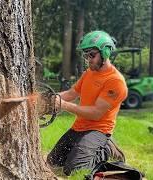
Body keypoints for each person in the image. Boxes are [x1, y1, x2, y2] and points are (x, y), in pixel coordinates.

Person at [47, 31, 128, 175]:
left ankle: (106, 148)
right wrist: (51, 99)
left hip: (98, 130)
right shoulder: (88, 73)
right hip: (79, 127)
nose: (88, 60)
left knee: (74, 170)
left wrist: (64, 106)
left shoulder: (115, 81)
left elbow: (96, 114)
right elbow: (71, 94)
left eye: (92, 55)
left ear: (105, 53)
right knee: (52, 162)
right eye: (86, 55)